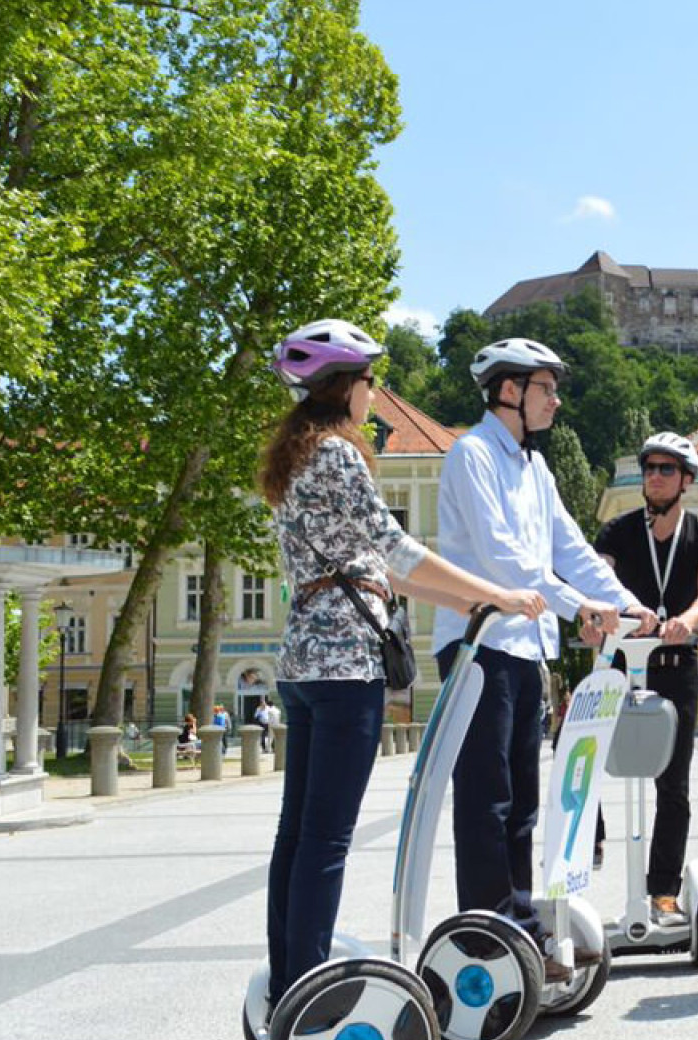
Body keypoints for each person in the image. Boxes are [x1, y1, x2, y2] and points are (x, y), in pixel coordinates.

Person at [260, 318, 545, 1011]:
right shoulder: (338, 453)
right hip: (344, 663)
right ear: (344, 385)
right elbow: (397, 552)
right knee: (326, 838)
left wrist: (476, 599)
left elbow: (389, 568)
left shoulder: (293, 456)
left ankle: (286, 981)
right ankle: (309, 996)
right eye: (369, 380)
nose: (375, 393)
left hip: (301, 658)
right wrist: (496, 594)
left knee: (296, 832)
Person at [432, 336, 656, 981]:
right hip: (479, 645)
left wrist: (632, 605)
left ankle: (520, 925)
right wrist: (579, 607)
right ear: (509, 390)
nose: (556, 399)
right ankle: (487, 938)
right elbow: (506, 560)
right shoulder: (471, 455)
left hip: (526, 649)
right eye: (546, 388)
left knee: (524, 800)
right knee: (487, 798)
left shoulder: (535, 467)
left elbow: (571, 550)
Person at [594, 432, 698, 925]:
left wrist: (688, 621)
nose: (654, 475)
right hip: (622, 664)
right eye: (650, 467)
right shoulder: (618, 532)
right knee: (582, 754)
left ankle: (663, 893)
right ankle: (591, 839)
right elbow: (598, 578)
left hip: (675, 668)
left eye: (666, 469)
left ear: (686, 480)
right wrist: (604, 615)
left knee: (673, 787)